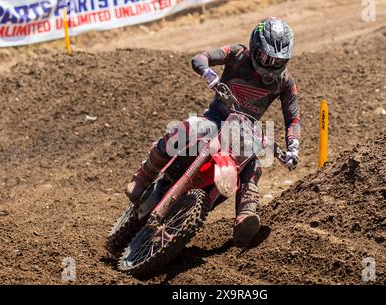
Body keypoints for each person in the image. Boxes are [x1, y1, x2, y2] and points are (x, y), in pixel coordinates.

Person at [125, 17, 300, 247]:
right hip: (217, 118)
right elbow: (200, 57)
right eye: (266, 57)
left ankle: (245, 216)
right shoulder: (238, 54)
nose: (270, 65)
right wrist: (207, 72)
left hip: (243, 132)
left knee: (254, 164)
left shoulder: (285, 82)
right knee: (185, 129)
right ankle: (144, 176)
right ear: (255, 47)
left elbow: (293, 118)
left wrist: (293, 147)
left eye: (277, 61)